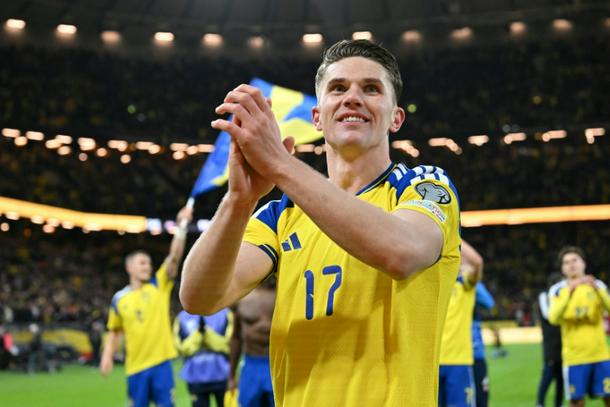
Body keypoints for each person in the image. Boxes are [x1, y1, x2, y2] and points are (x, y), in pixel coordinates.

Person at [180, 39, 462, 406]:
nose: (352, 98)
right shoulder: (280, 216)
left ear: (396, 118)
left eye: (371, 89)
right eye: (338, 88)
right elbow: (198, 297)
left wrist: (279, 165)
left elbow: (402, 252)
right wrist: (239, 201)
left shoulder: (423, 186)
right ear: (317, 116)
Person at [100, 206, 192, 407]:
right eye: (142, 263)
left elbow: (174, 258)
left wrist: (182, 227)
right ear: (129, 268)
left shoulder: (159, 285)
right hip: (135, 368)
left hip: (162, 364)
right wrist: (107, 357)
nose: (147, 267)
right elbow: (114, 332)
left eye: (149, 263)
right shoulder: (119, 299)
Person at [548, 246, 610, 407]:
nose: (571, 265)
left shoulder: (598, 286)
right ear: (562, 268)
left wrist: (597, 289)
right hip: (575, 357)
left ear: (583, 263)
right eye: (566, 262)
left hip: (601, 354)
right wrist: (570, 290)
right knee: (577, 402)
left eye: (575, 260)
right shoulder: (558, 290)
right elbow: (553, 318)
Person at [438, 241, 483, 407]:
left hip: (458, 361)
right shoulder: (433, 279)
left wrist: (451, 235)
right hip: (430, 362)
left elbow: (477, 262)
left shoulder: (465, 283)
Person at [228, 277, 275, 407]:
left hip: (278, 363)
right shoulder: (242, 298)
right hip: (251, 364)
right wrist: (231, 376)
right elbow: (236, 338)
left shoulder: (285, 296)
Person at [173, 307, 234, 407]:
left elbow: (228, 345)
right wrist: (198, 334)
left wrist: (207, 334)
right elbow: (181, 348)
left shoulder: (225, 313)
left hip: (221, 375)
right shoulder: (182, 317)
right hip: (195, 378)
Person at [536, 272, 564, 407]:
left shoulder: (562, 298)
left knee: (561, 378)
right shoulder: (544, 296)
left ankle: (558, 404)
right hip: (551, 344)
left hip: (563, 343)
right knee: (547, 375)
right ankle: (540, 403)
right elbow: (548, 315)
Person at [472, 282, 495, 407]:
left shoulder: (470, 285)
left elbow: (489, 303)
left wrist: (472, 281)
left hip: (475, 354)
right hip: (461, 355)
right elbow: (489, 302)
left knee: (481, 397)